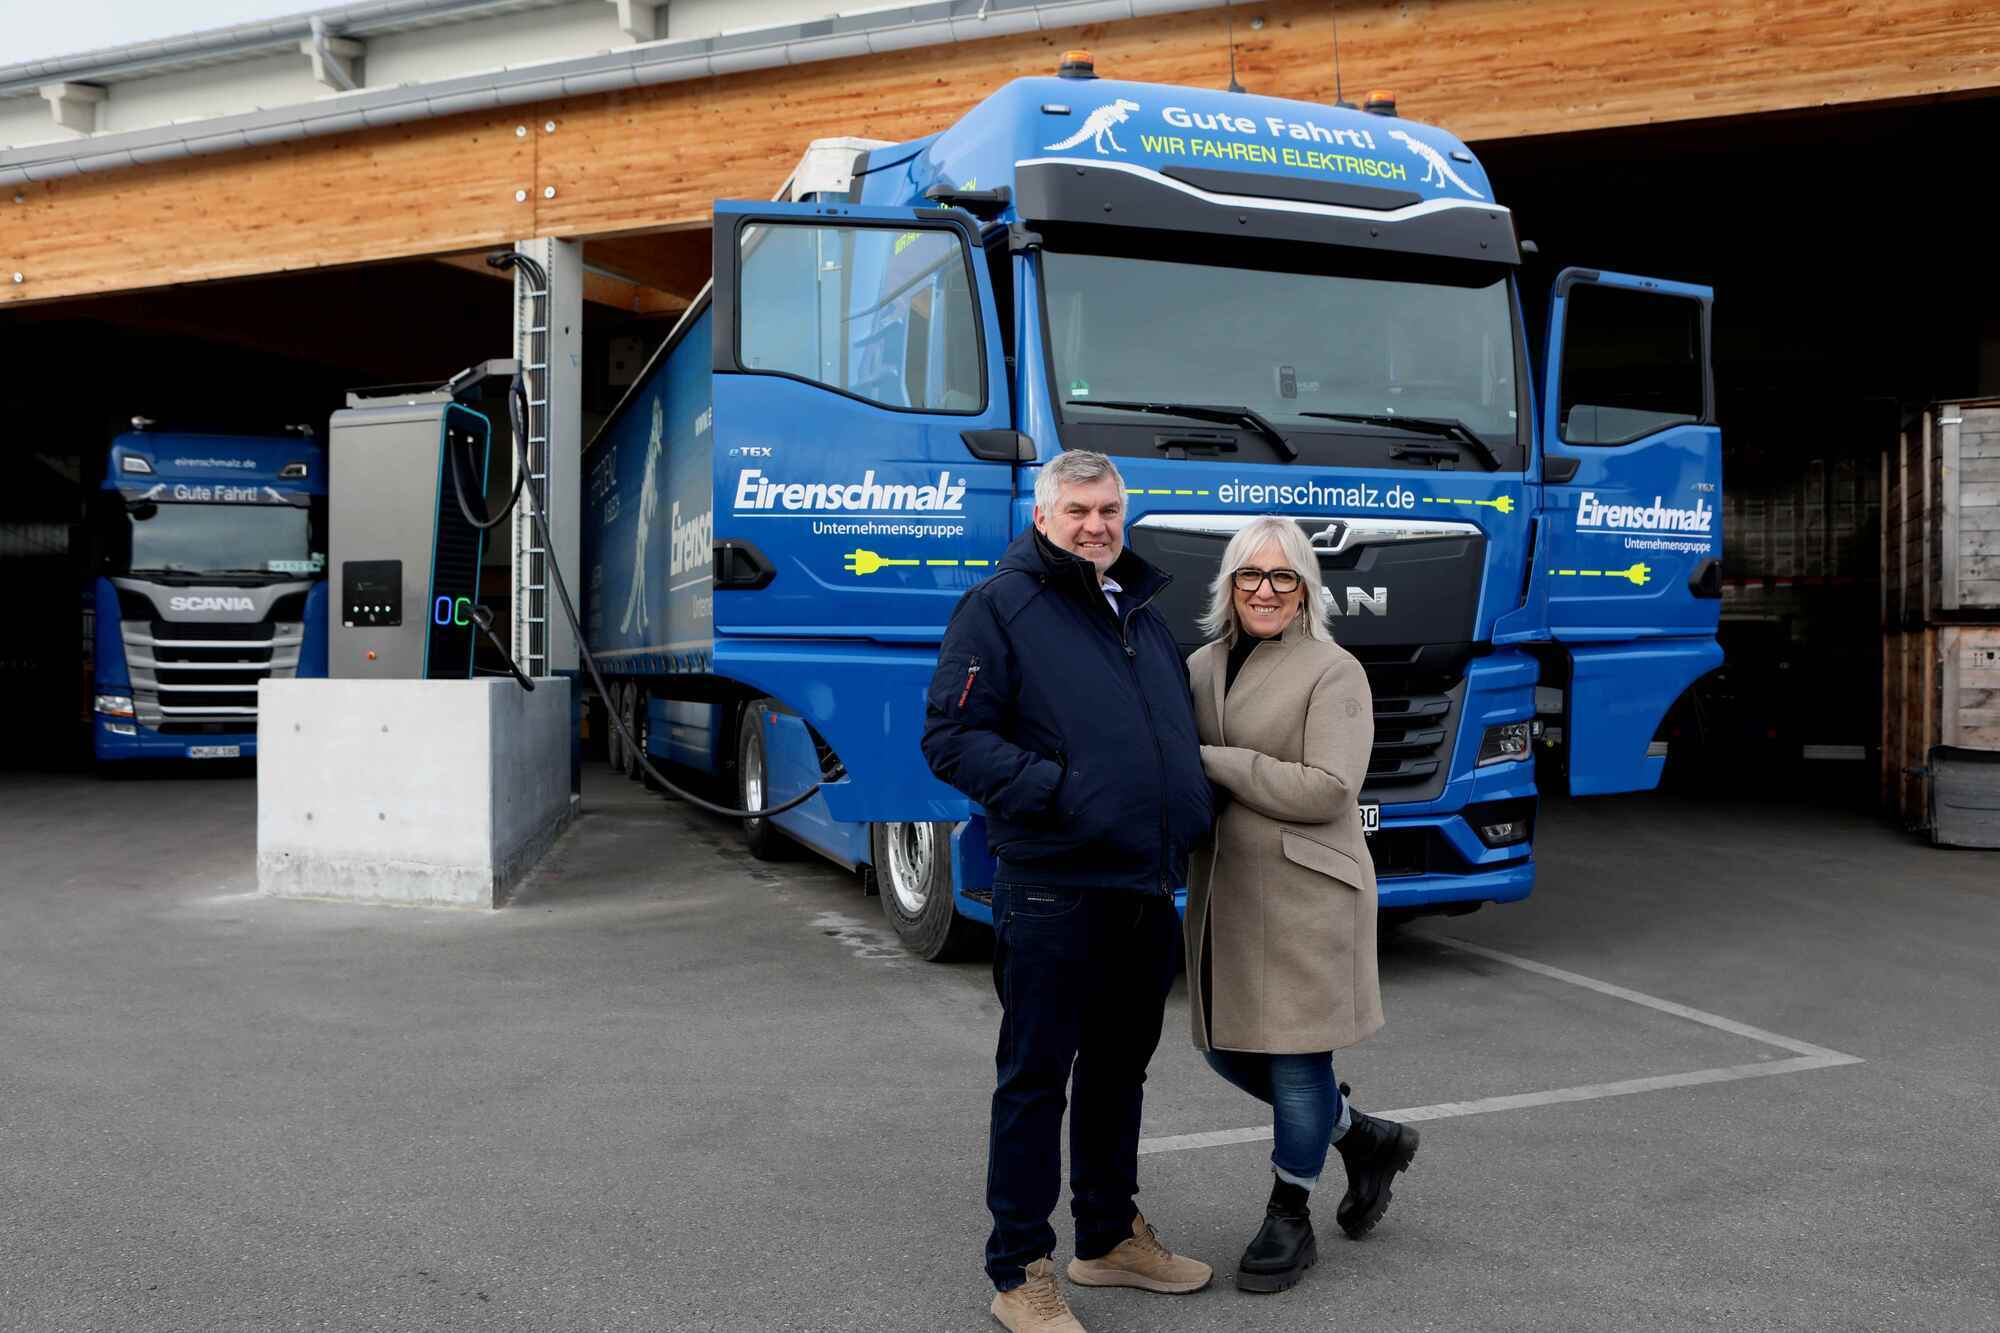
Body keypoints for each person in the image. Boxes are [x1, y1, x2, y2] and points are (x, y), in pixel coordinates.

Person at [922, 450, 1216, 1333]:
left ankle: (1107, 1234)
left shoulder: (1140, 610)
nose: (1097, 525)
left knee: (1119, 1071)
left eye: (1110, 510)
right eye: (1080, 510)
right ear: (1042, 515)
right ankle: (1018, 1268)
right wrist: (1061, 792)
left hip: (1142, 883)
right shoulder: (1000, 606)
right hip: (1053, 887)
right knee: (1035, 1080)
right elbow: (951, 737)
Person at [1184, 515, 1420, 1294]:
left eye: (1284, 576)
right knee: (1223, 1043)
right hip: (1226, 889)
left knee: (1295, 1057)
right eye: (1251, 574)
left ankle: (1291, 1211)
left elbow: (1329, 789)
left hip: (1307, 891)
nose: (1266, 589)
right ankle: (1363, 1136)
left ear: (1306, 590)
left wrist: (1218, 760)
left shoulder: (1333, 668)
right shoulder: (1198, 664)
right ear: (1228, 583)